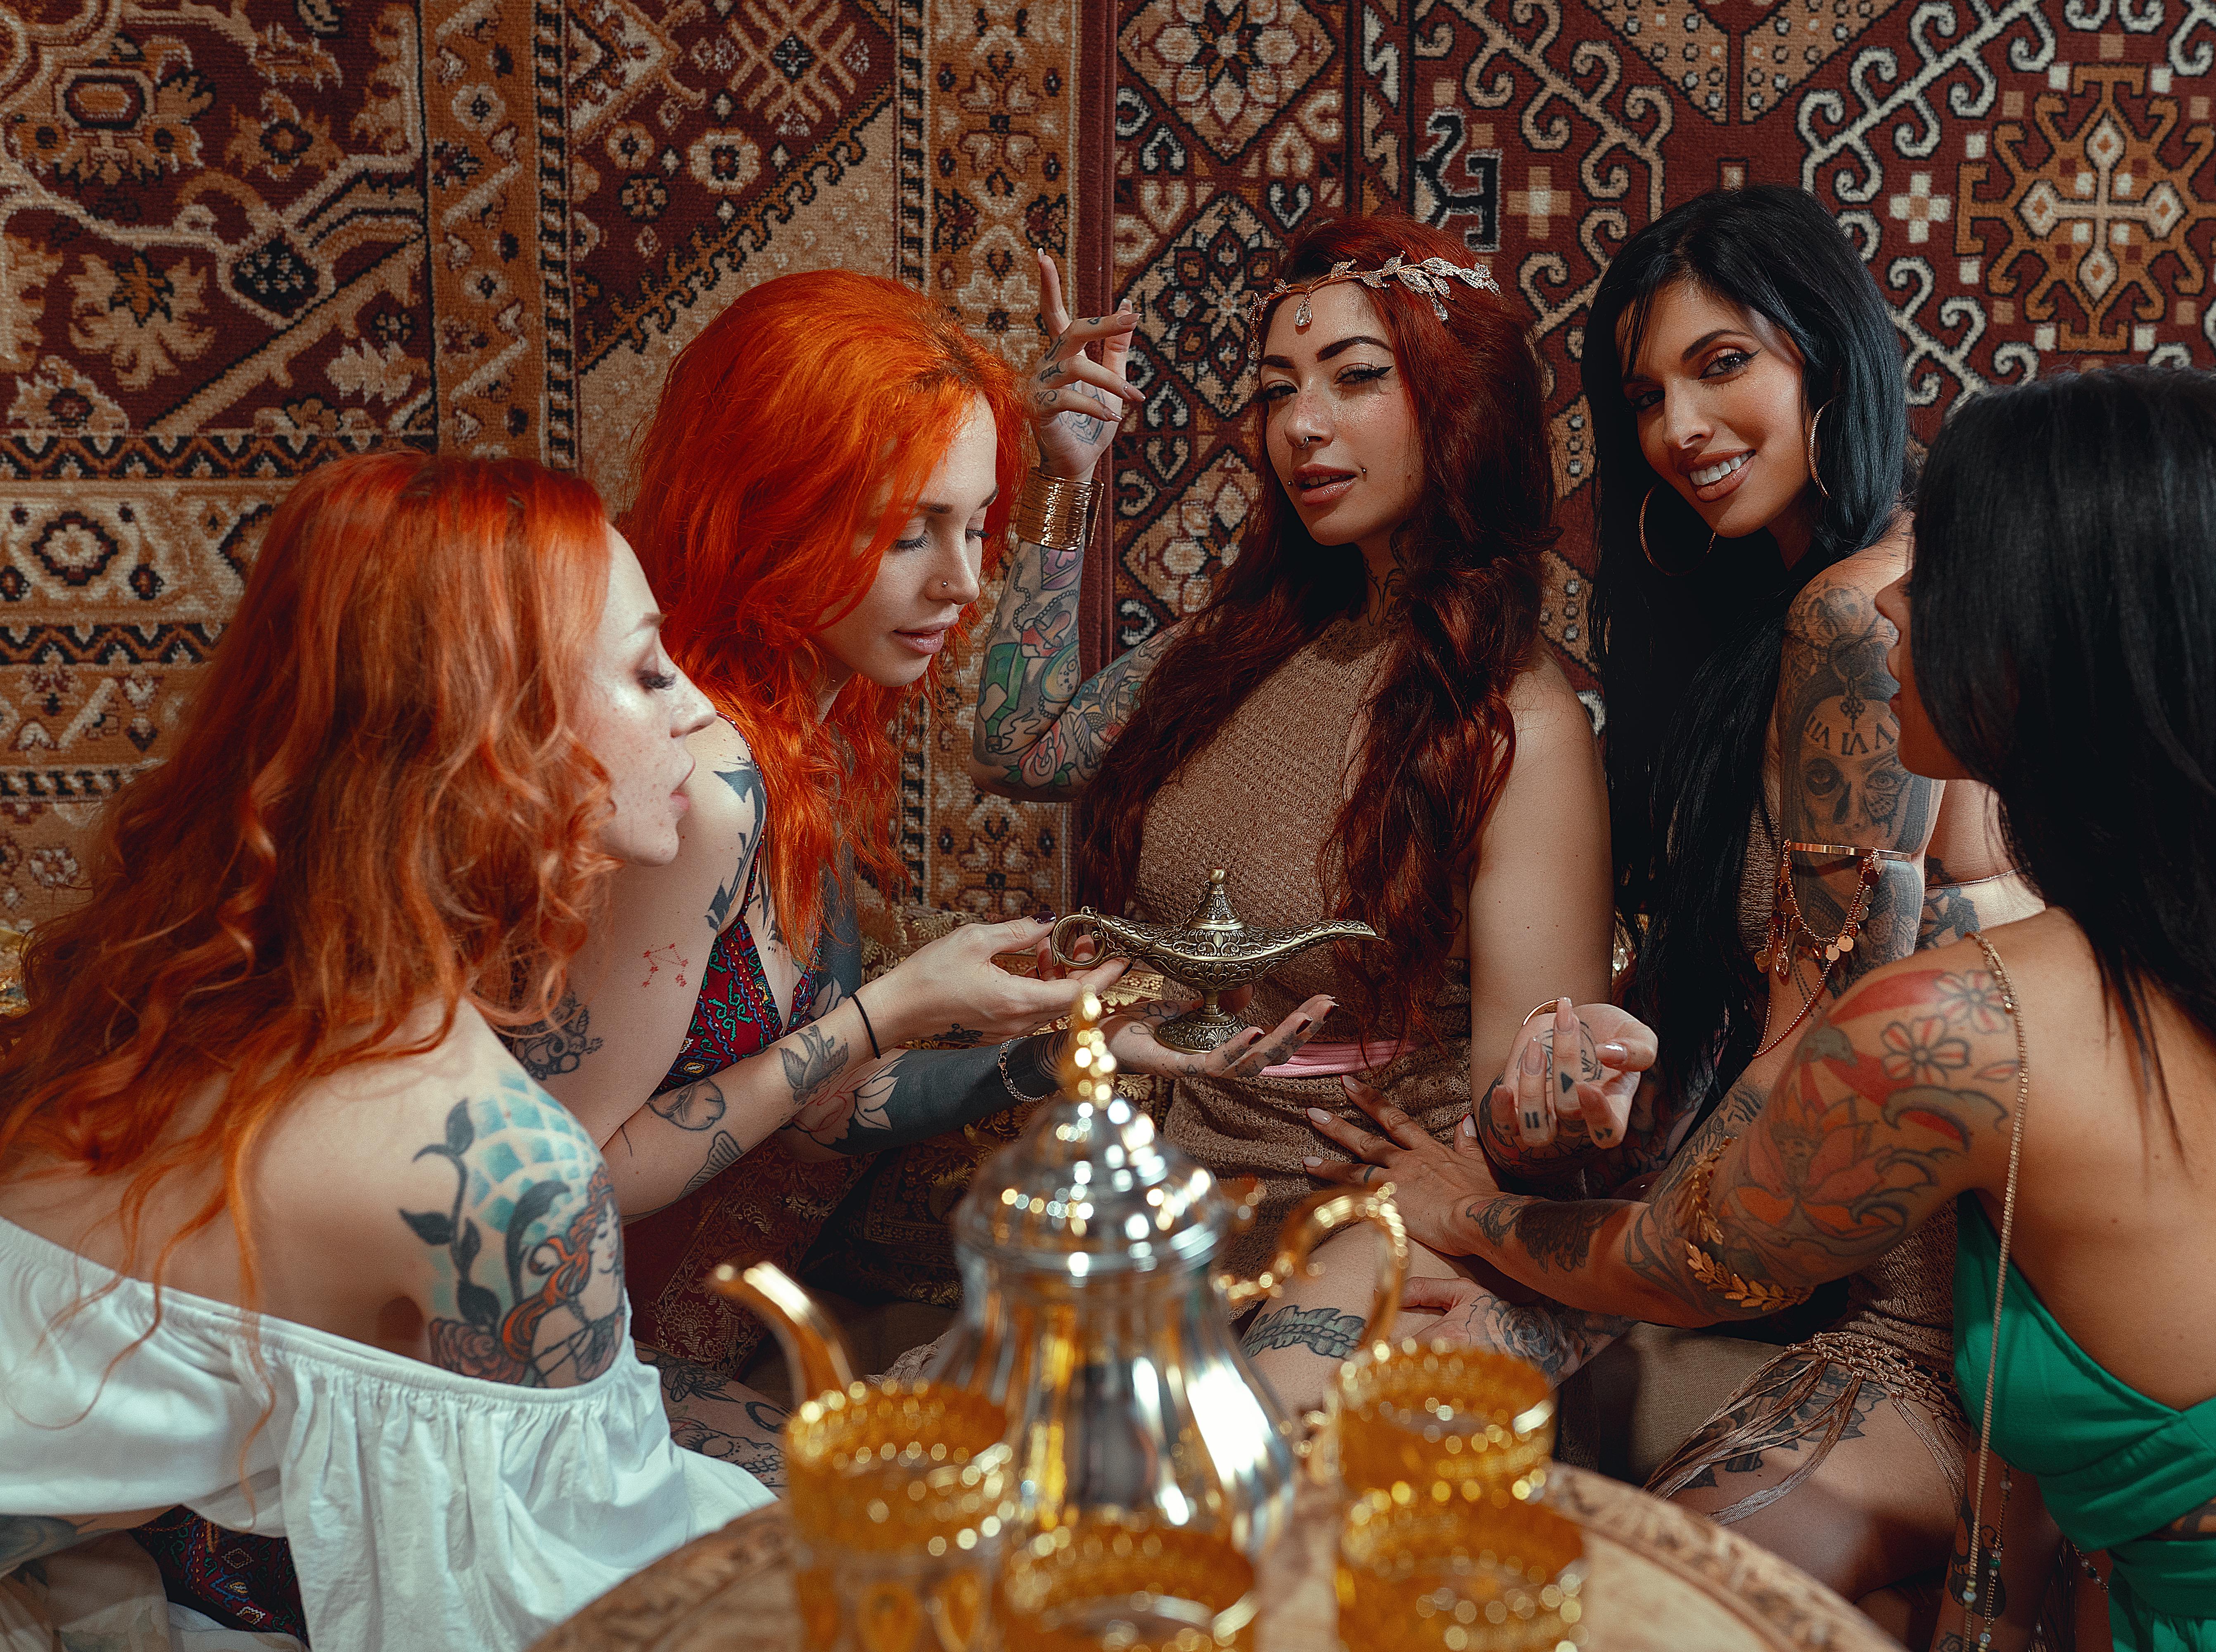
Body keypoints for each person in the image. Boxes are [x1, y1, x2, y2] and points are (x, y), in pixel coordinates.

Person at [1304, 366, 2216, 1650]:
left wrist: (1462, 1207)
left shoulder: (1961, 1021)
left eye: (1946, 567)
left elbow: (1692, 1262)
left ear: (2067, 632)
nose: (1890, 604)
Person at [1311, 185, 2040, 1624]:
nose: (1681, 430)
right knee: (1391, 1420)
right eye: (1645, 397)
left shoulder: (1861, 616)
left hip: (1944, 1331)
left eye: (1723, 366)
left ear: (1831, 356)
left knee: (1599, 1592)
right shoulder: (1794, 616)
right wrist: (1596, 1088)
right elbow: (1766, 1012)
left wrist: (1486, 1217)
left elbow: (1806, 1102)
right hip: (1811, 1257)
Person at [0, 453, 776, 1651]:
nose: (699, 709)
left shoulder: (181, 980)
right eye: (643, 669)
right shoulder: (501, 1172)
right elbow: (591, 1615)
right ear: (491, 735)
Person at [521, 271, 1261, 1376]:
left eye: (978, 527)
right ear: (779, 514)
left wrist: (1072, 1048)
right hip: (581, 1356)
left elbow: (822, 1102)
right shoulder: (704, 785)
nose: (963, 585)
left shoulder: (799, 736)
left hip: (719, 1325)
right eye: (912, 535)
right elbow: (559, 1184)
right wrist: (895, 1007)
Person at [970, 220, 1615, 1412]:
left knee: (1229, 1451)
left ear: (1459, 405)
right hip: (1174, 1171)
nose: (1301, 424)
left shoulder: (1511, 722)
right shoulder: (1235, 649)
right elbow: (1019, 745)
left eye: (1354, 377)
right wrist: (1065, 478)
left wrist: (1549, 1141)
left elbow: (1521, 1106)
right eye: (1277, 390)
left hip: (1360, 1202)